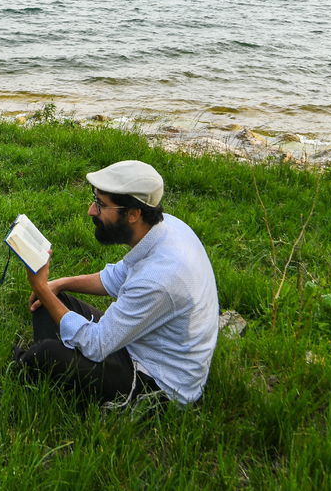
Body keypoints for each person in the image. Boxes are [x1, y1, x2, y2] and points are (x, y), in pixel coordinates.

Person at [14, 159, 219, 407]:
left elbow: (96, 345)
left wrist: (40, 287)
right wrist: (58, 285)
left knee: (46, 353)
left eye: (101, 205)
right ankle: (47, 369)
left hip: (159, 383)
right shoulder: (165, 229)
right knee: (51, 303)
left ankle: (31, 369)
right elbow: (114, 277)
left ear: (133, 214)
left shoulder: (159, 278)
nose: (91, 210)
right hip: (141, 344)